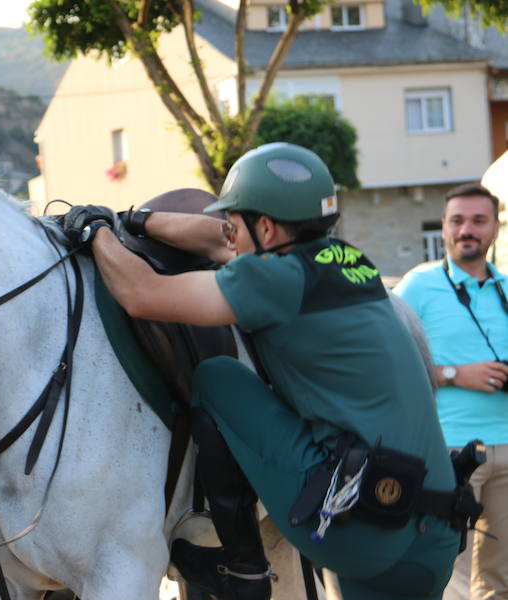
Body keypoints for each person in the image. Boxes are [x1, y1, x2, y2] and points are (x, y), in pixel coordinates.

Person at [61, 143, 476, 600]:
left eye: (234, 220)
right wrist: (136, 220)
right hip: (435, 532)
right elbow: (220, 240)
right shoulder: (348, 262)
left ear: (265, 226)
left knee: (217, 376)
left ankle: (242, 564)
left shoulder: (273, 279)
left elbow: (142, 293)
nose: (227, 232)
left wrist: (97, 231)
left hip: (359, 528)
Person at [394, 183, 508, 600]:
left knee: (499, 581)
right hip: (445, 451)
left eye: (479, 220)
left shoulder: (507, 286)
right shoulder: (418, 286)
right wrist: (454, 373)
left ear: (496, 228)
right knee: (435, 568)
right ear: (443, 227)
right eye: (457, 220)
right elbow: (388, 361)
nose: (467, 230)